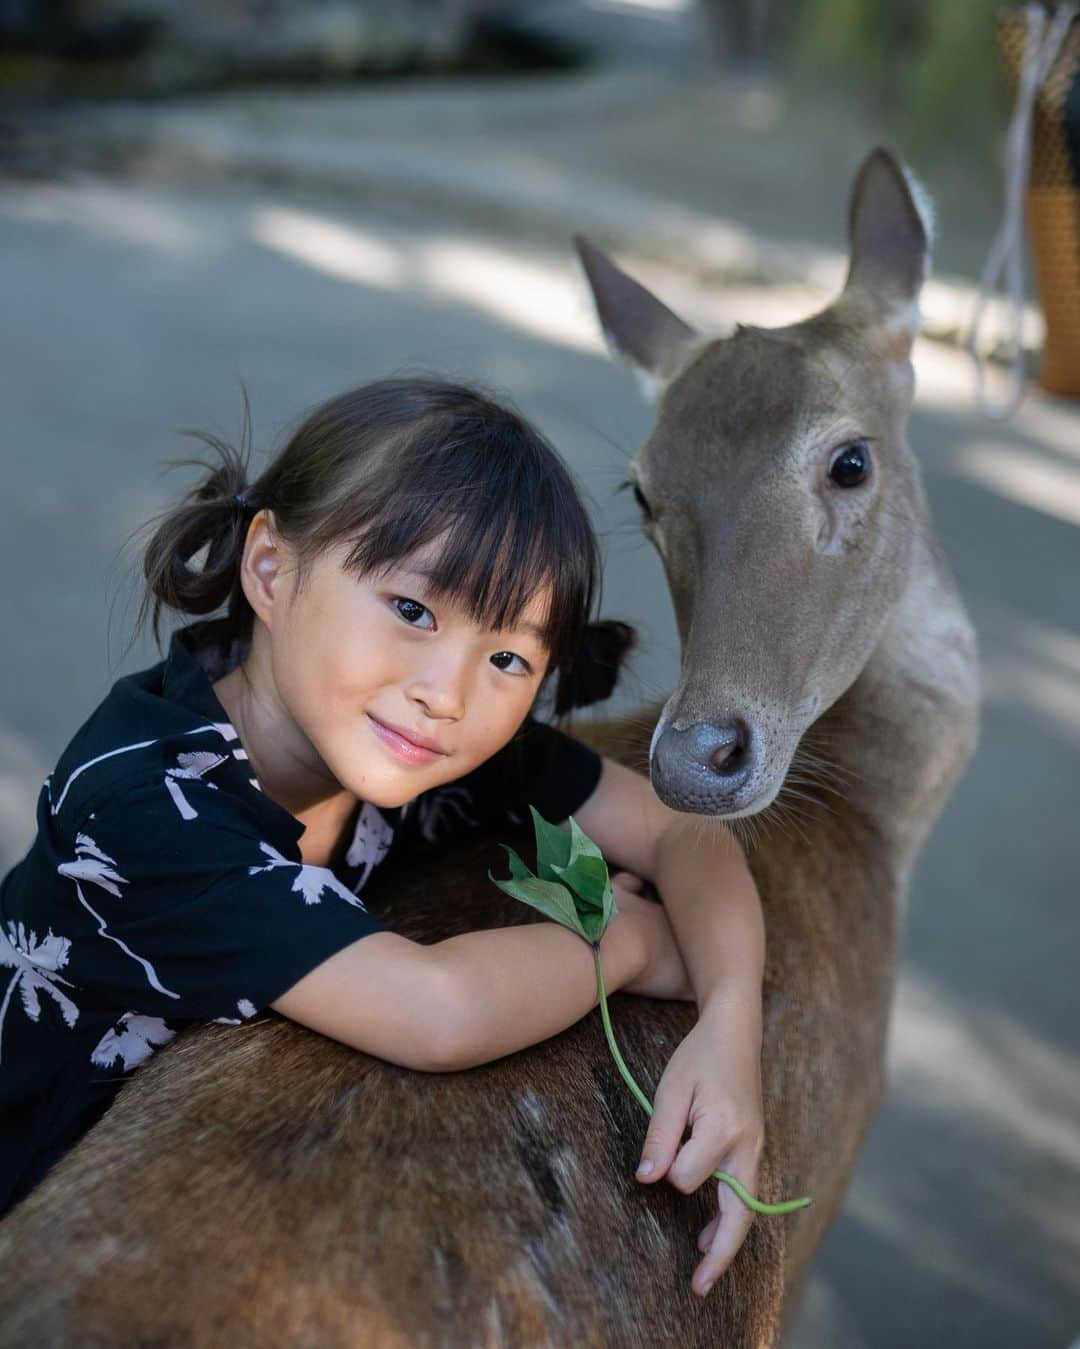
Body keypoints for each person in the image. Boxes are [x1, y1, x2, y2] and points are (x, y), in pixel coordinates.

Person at [0, 377, 766, 1297]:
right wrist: (633, 941)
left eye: (509, 657)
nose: (447, 690)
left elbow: (680, 829)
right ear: (273, 571)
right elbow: (436, 1010)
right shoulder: (141, 808)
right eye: (412, 609)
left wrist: (730, 1024)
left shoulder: (424, 735)